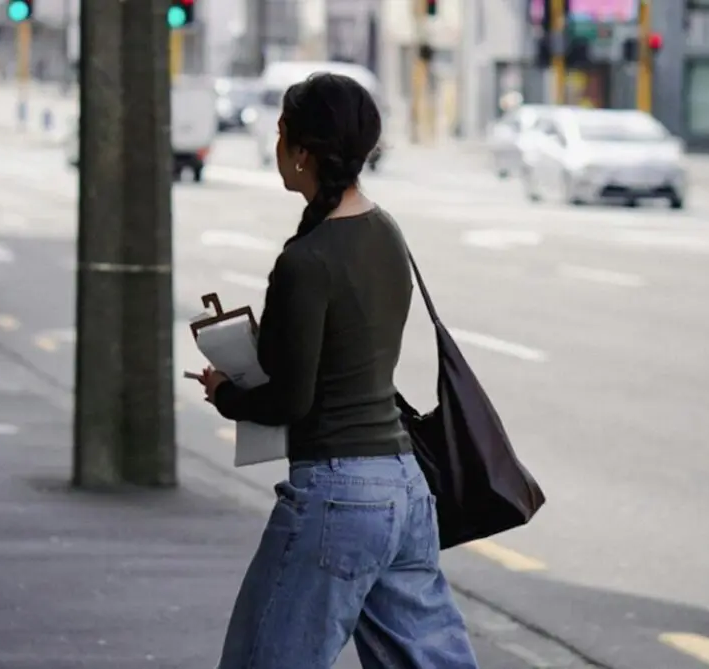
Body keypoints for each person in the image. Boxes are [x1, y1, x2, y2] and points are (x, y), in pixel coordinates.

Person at [197, 72, 479, 669]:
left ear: (302, 153)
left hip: (339, 495)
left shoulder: (307, 260)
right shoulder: (385, 231)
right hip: (405, 489)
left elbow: (289, 401)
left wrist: (226, 393)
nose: (276, 148)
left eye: (280, 134)